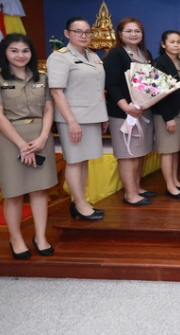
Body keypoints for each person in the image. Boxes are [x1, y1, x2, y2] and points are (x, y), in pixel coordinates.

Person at [0, 34, 57, 259]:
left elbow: (48, 109)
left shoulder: (42, 77)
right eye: (14, 50)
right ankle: (16, 239)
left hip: (40, 137)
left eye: (25, 50)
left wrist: (43, 137)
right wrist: (22, 144)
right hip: (10, 140)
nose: (20, 55)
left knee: (40, 190)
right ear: (4, 53)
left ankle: (40, 236)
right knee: (13, 192)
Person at [47, 17, 108, 221]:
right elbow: (57, 92)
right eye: (78, 31)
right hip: (73, 118)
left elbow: (98, 88)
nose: (84, 35)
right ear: (67, 34)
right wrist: (71, 121)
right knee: (74, 161)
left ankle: (81, 201)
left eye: (87, 32)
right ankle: (80, 204)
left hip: (92, 116)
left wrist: (103, 115)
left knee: (84, 160)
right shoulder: (60, 57)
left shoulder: (93, 55)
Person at [104, 17, 155, 206]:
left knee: (139, 151)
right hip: (123, 112)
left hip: (142, 111)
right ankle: (130, 194)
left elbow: (149, 83)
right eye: (129, 31)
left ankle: (137, 187)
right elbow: (111, 84)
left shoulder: (145, 53)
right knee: (127, 154)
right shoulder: (116, 54)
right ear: (120, 33)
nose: (133, 34)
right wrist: (126, 107)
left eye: (137, 31)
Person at [152, 30, 180, 199]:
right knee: (167, 151)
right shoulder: (159, 63)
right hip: (165, 115)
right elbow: (159, 94)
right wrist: (168, 118)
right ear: (163, 44)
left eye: (178, 42)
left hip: (179, 112)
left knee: (175, 150)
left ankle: (174, 180)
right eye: (172, 42)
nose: (176, 45)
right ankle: (169, 186)